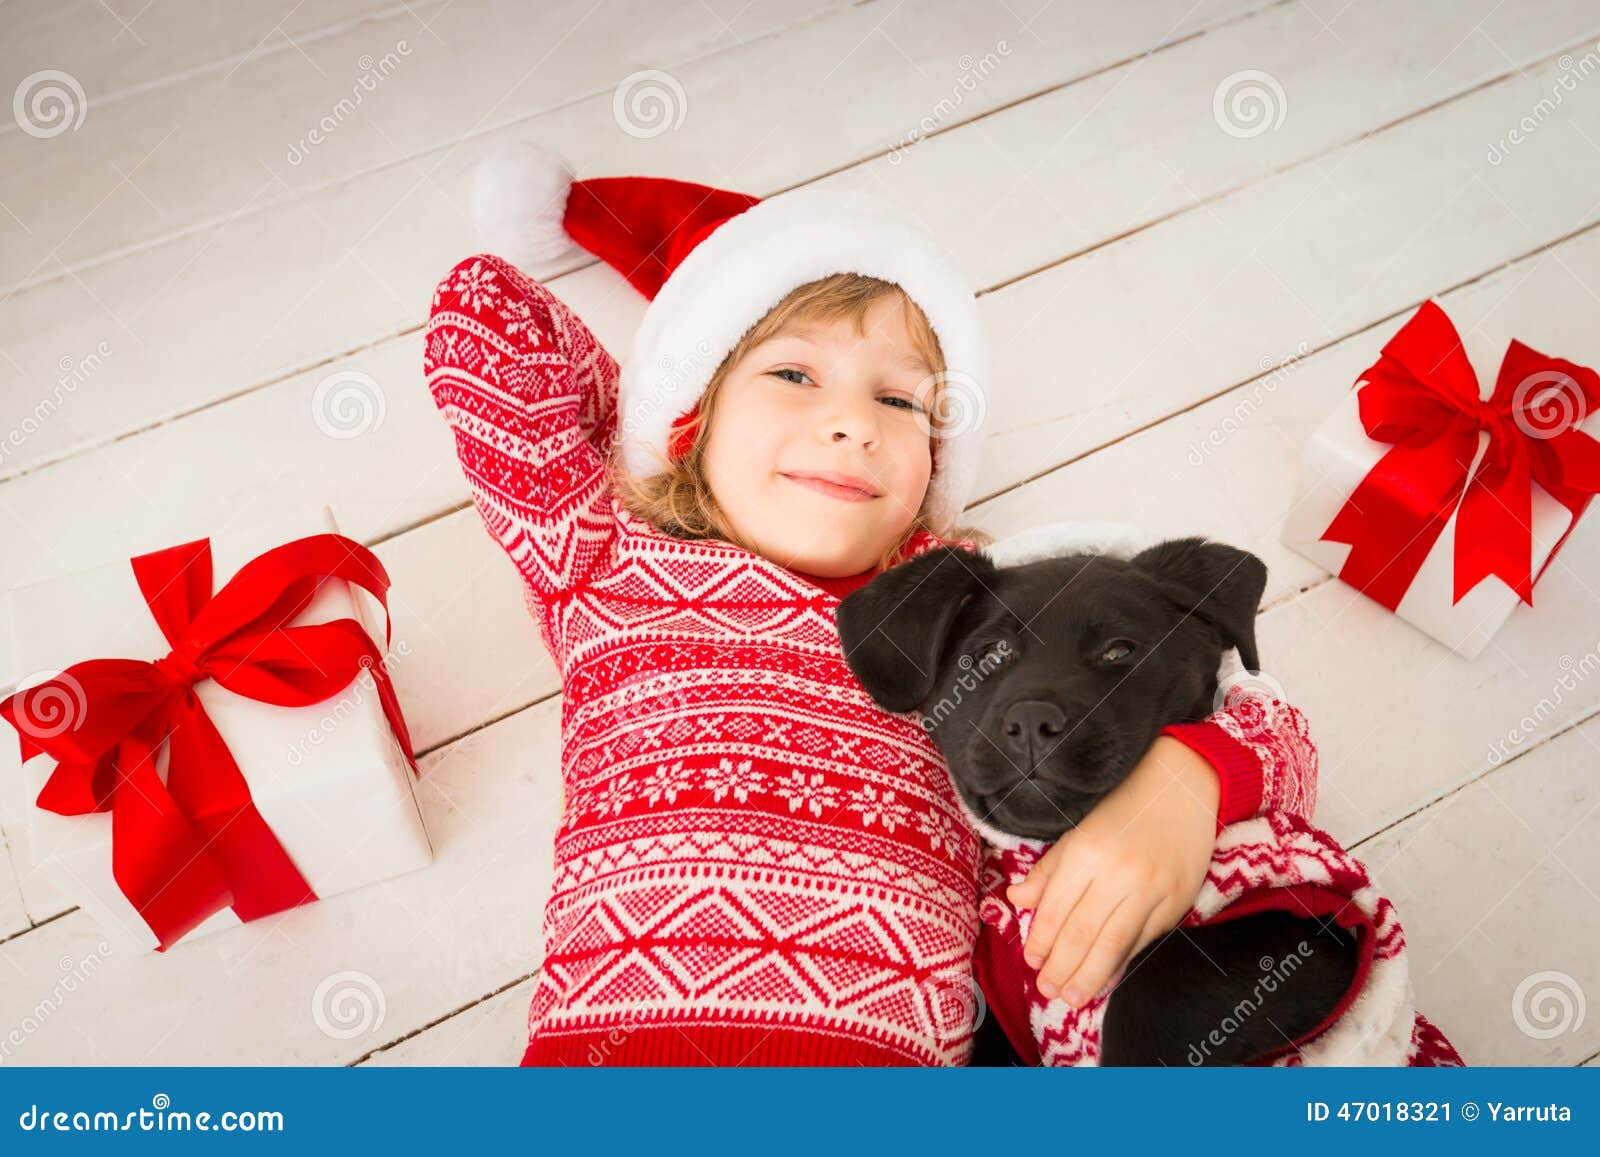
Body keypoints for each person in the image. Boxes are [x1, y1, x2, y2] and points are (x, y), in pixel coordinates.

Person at [422, 145, 1321, 1065]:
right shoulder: (608, 564)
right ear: (692, 417)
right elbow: (481, 319)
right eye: (794, 376)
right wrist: (657, 396)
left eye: (899, 399)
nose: (854, 421)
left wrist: (1187, 783)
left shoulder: (972, 604)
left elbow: (1263, 714)